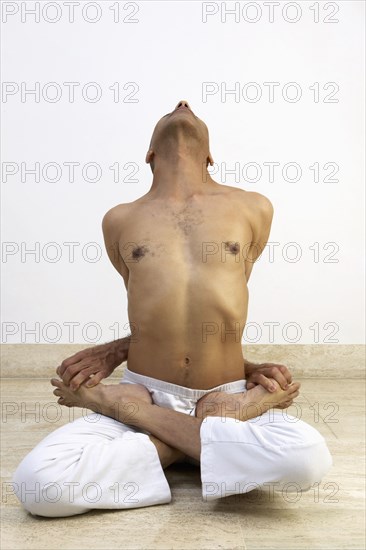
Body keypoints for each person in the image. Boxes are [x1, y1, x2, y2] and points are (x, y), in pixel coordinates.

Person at [12, 100, 332, 517]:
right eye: (172, 108)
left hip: (216, 398)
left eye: (189, 106)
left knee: (309, 459)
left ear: (211, 157)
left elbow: (218, 311)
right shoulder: (119, 219)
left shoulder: (254, 207)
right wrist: (117, 352)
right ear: (149, 155)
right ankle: (198, 446)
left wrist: (117, 404)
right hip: (166, 396)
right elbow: (157, 314)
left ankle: (151, 432)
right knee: (39, 486)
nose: (182, 103)